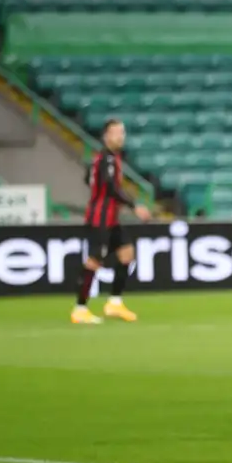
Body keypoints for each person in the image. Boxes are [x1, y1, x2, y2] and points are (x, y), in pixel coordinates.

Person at [71, 119, 151, 325]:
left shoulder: (104, 159)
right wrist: (135, 206)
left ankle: (114, 303)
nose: (120, 136)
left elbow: (87, 178)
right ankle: (80, 308)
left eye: (122, 132)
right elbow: (110, 187)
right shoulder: (107, 159)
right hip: (100, 218)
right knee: (95, 258)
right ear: (106, 136)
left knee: (127, 253)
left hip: (111, 218)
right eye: (116, 133)